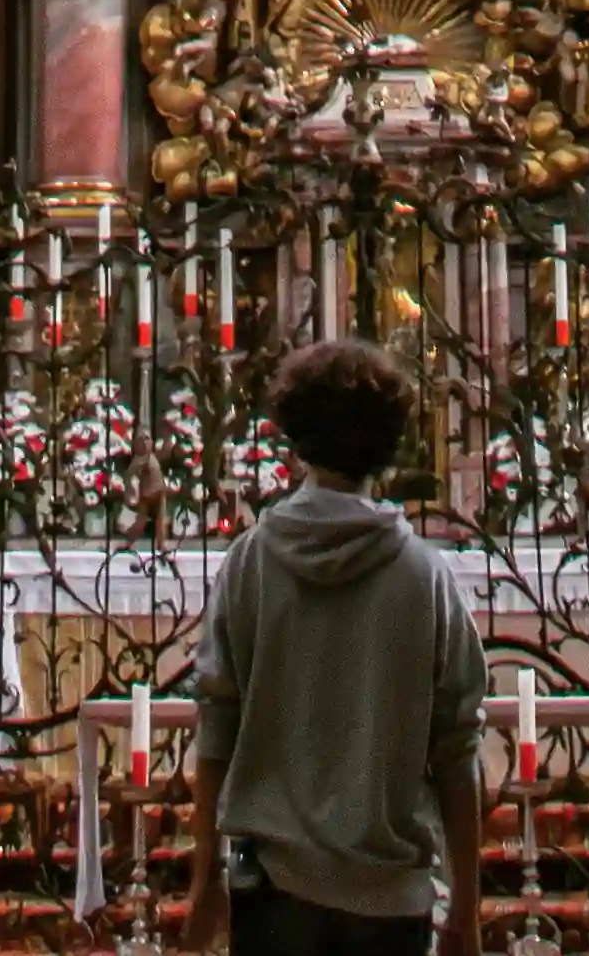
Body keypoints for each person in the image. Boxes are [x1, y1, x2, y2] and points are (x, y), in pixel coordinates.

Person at [183, 338, 483, 956]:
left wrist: (203, 883)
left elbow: (217, 728)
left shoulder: (251, 563)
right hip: (390, 891)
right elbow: (457, 753)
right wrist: (467, 910)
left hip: (273, 884)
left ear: (295, 437)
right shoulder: (423, 577)